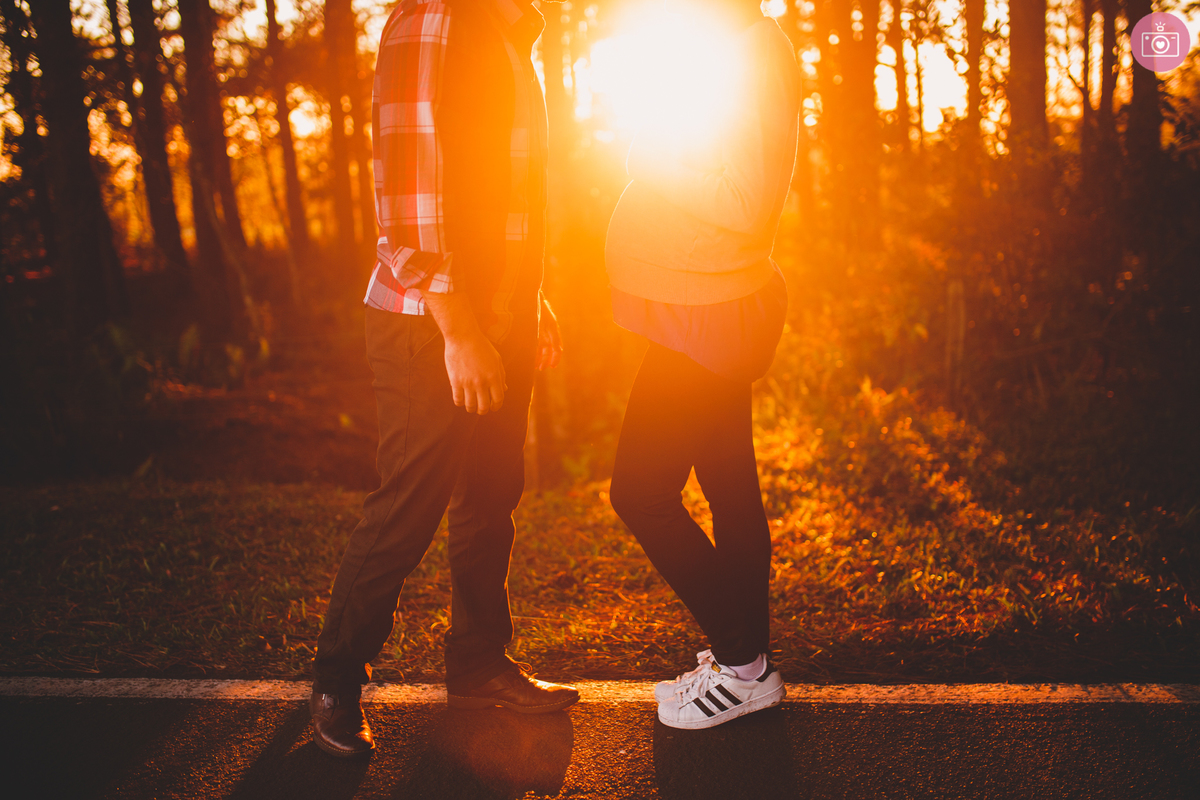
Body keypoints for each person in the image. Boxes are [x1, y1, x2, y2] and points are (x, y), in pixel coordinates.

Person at [310, 0, 578, 758]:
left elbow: (509, 185)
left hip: (501, 311)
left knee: (492, 495)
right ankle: (336, 679)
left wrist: (530, 297)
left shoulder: (508, 29)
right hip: (430, 318)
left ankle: (480, 665)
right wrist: (460, 328)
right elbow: (407, 192)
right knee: (409, 501)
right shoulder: (430, 21)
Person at [605, 0, 801, 729]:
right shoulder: (734, 46)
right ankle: (745, 666)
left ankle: (743, 659)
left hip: (708, 315)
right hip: (703, 307)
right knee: (727, 486)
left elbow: (746, 202)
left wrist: (651, 162)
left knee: (640, 491)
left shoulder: (753, 54)